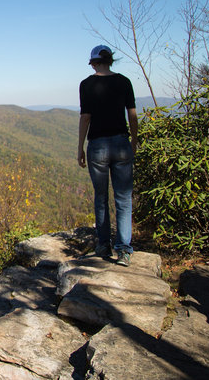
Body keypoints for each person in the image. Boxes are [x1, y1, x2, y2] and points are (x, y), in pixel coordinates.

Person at [77, 45, 138, 267]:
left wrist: (80, 147)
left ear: (94, 63)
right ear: (110, 61)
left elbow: (85, 117)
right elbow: (131, 113)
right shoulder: (124, 82)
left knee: (101, 197)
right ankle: (123, 251)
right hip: (121, 143)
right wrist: (134, 140)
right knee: (123, 199)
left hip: (98, 146)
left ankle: (103, 245)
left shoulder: (86, 84)